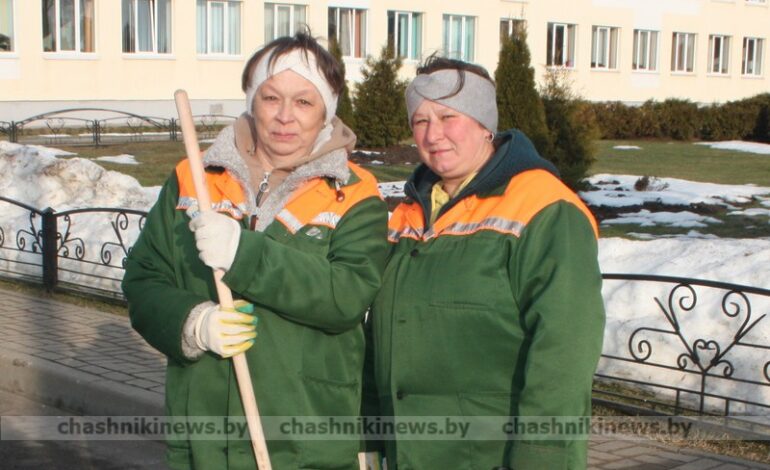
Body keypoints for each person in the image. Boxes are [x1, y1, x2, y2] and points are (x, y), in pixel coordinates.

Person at [123, 32, 389, 470]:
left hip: (303, 443)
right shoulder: (194, 180)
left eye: (304, 102)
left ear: (327, 111)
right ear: (252, 102)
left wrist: (243, 254)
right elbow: (143, 280)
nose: (285, 117)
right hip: (205, 440)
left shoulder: (354, 194)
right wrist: (193, 322)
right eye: (271, 98)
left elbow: (346, 295)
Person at [363, 56, 605, 469]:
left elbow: (564, 350)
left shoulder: (545, 208)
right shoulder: (411, 211)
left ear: (484, 123)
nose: (432, 134)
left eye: (447, 116)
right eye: (420, 120)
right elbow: (382, 334)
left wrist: (542, 456)